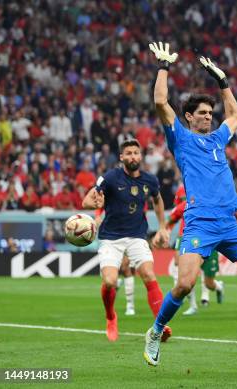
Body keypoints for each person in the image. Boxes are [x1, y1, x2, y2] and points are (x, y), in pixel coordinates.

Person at [145, 42, 237, 366]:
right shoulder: (180, 138)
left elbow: (235, 114)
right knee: (184, 284)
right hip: (200, 223)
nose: (209, 117)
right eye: (203, 113)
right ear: (189, 117)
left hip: (229, 223)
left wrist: (223, 81)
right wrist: (164, 67)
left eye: (211, 113)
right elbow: (160, 101)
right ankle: (155, 331)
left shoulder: (219, 138)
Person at [82, 138, 171, 342]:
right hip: (110, 238)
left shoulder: (150, 180)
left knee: (148, 274)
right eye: (128, 153)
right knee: (111, 281)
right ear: (121, 157)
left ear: (141, 156)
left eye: (136, 153)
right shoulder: (110, 177)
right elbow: (87, 200)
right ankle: (111, 316)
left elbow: (157, 200)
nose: (133, 156)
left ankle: (160, 326)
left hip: (137, 235)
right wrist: (93, 203)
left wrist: (163, 227)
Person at [167, 184, 224, 315]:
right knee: (182, 267)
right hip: (185, 234)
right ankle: (192, 304)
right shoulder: (182, 191)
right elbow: (174, 213)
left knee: (209, 282)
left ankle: (218, 287)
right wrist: (165, 231)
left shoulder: (206, 192)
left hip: (206, 236)